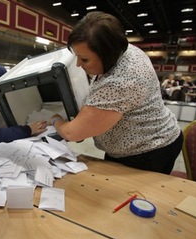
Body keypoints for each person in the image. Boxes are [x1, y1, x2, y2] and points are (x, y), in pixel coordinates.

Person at [49, 11, 183, 175]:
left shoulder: (119, 82)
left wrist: (55, 120)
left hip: (147, 150)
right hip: (151, 138)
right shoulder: (124, 49)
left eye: (84, 59)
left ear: (107, 53)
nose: (78, 64)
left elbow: (72, 133)